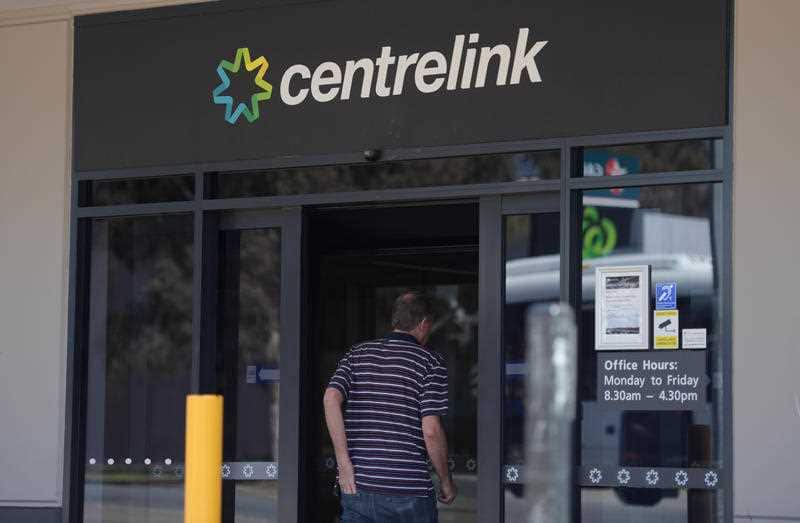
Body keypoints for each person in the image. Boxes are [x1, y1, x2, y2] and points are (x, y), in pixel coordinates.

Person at [323, 290, 457, 522]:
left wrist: (343, 463)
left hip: (358, 486)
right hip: (409, 491)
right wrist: (446, 481)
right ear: (424, 324)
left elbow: (330, 398)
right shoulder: (430, 362)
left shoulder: (358, 354)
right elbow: (431, 430)